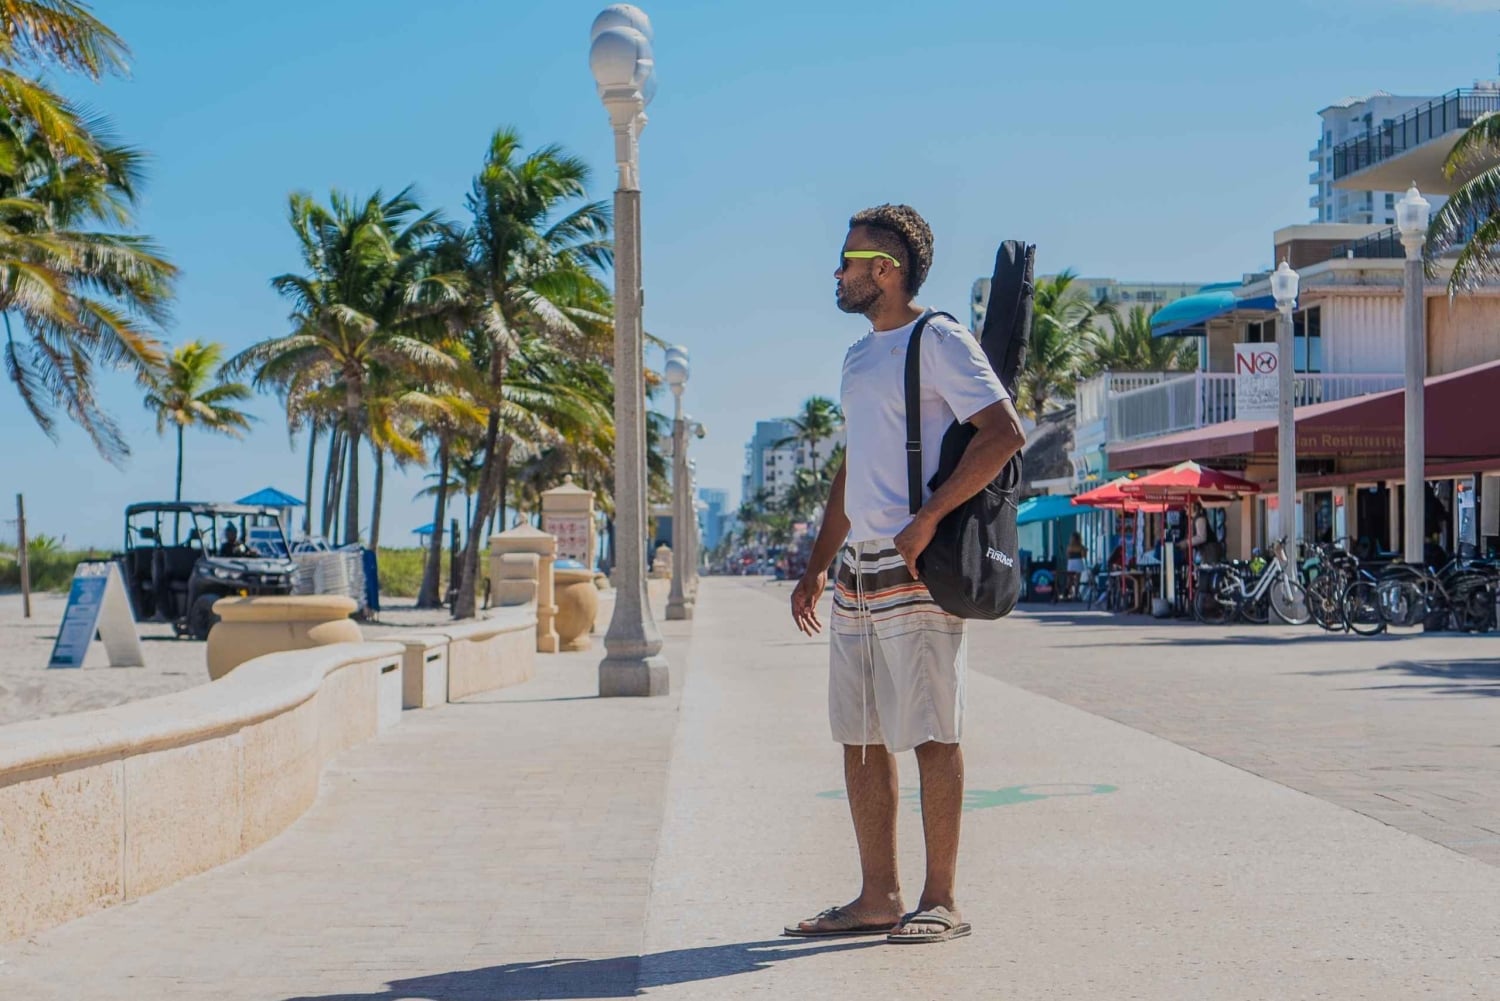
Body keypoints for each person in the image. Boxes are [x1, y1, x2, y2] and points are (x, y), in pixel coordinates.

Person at [787, 204, 1025, 944]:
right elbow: (854, 464)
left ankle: (941, 897)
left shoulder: (940, 338)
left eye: (847, 261)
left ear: (882, 270)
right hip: (859, 568)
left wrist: (927, 518)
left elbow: (1004, 433)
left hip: (918, 564)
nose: (837, 272)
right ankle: (878, 895)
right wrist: (819, 563)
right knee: (859, 734)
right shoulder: (860, 357)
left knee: (931, 730)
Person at [1065, 532, 1087, 600]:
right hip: (1078, 562)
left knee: (1069, 579)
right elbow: (1083, 556)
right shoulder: (1081, 546)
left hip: (1071, 563)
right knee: (1077, 580)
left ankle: (1067, 592)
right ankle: (1076, 594)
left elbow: (1067, 556)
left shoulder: (1069, 547)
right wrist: (1085, 551)